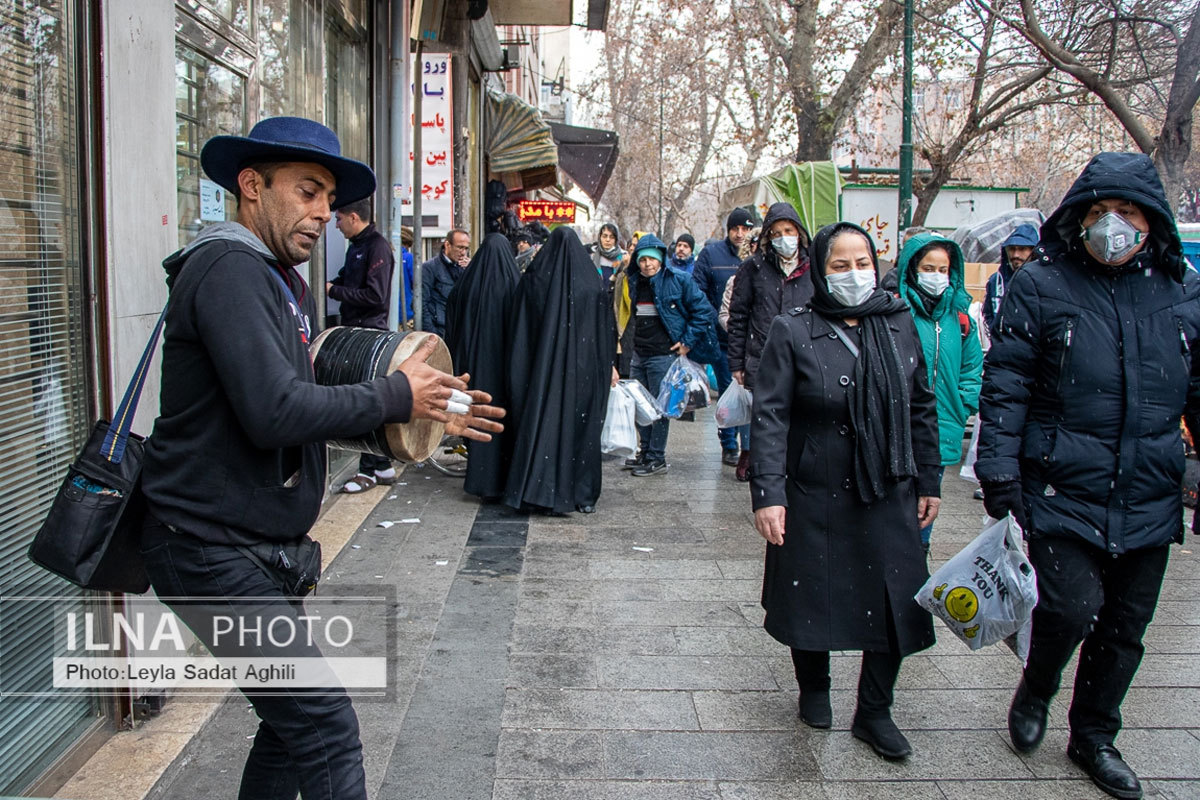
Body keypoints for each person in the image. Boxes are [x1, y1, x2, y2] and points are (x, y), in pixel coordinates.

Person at [139, 117, 504, 800]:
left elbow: (304, 397)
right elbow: (273, 411)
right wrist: (396, 392)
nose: (321, 214)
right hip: (208, 548)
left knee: (290, 726)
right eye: (307, 192)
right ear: (252, 185)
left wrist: (422, 407)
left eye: (327, 200)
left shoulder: (274, 279)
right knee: (325, 724)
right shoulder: (229, 270)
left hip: (249, 546)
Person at [975, 152, 1200, 800]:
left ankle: (1095, 735)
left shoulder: (1183, 290)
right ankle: (1038, 686)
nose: (1113, 226)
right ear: (1079, 218)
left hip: (1150, 491)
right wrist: (998, 474)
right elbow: (1008, 385)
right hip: (1059, 487)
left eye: (1127, 213)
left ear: (1151, 221)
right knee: (1071, 608)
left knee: (1126, 627)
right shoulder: (1044, 286)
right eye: (1100, 212)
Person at [750, 221, 940, 761]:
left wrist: (930, 479)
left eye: (862, 263)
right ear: (819, 269)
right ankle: (814, 688)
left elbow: (920, 404)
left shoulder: (898, 321)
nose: (854, 274)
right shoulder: (793, 328)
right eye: (840, 265)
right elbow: (770, 417)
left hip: (890, 486)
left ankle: (875, 711)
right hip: (815, 487)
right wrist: (769, 493)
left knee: (896, 600)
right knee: (810, 592)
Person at [505, 227, 618, 514]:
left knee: (544, 425)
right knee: (579, 430)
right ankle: (581, 494)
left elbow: (520, 332)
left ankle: (539, 488)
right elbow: (604, 334)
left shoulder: (535, 282)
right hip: (583, 374)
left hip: (542, 375)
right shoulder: (592, 285)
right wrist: (605, 368)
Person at [893, 233, 983, 552]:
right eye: (928, 268)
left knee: (925, 508)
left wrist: (964, 403)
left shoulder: (960, 319)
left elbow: (972, 367)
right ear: (913, 269)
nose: (936, 276)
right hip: (898, 429)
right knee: (894, 509)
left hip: (944, 425)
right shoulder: (896, 313)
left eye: (942, 269)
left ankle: (917, 564)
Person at [726, 202, 814, 481]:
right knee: (766, 422)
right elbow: (738, 317)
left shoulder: (814, 267)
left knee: (802, 421)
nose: (783, 237)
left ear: (799, 232)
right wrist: (737, 363)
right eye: (775, 233)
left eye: (788, 230)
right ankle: (768, 474)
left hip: (806, 359)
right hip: (762, 359)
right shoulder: (753, 268)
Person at [622, 233, 714, 476]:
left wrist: (686, 342)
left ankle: (656, 456)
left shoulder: (678, 279)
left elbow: (703, 311)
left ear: (661, 259)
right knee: (640, 407)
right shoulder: (633, 280)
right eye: (643, 260)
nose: (647, 264)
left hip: (663, 356)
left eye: (652, 259)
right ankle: (645, 452)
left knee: (660, 407)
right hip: (638, 353)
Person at [326, 196, 399, 494]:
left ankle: (367, 471)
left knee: (367, 400)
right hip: (354, 330)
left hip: (369, 334)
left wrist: (334, 291)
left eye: (339, 218)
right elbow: (346, 281)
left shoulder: (377, 246)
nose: (336, 224)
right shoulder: (355, 247)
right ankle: (381, 466)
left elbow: (375, 296)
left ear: (354, 217)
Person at [445, 233, 521, 500]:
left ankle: (480, 479)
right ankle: (505, 477)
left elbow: (452, 325)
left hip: (474, 366)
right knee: (503, 420)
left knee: (476, 417)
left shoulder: (466, 285)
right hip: (506, 368)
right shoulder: (514, 283)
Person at [693, 208, 754, 467]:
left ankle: (749, 448)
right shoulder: (711, 254)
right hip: (721, 338)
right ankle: (729, 444)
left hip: (753, 340)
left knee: (750, 392)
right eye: (735, 229)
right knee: (730, 389)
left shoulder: (757, 256)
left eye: (744, 229)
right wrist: (715, 318)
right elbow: (698, 291)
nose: (740, 234)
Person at [982, 223, 1039, 335]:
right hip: (1001, 347)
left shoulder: (1042, 282)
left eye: (1022, 249)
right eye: (1012, 249)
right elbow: (987, 314)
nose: (1016, 254)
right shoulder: (996, 281)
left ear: (1033, 252)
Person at [421, 228, 470, 336]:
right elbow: (422, 302)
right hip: (440, 329)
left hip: (460, 330)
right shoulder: (430, 268)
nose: (463, 252)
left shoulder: (466, 268)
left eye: (466, 248)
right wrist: (432, 333)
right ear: (448, 245)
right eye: (460, 247)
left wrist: (472, 270)